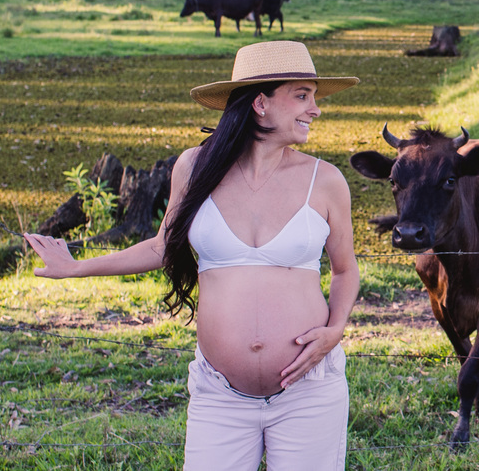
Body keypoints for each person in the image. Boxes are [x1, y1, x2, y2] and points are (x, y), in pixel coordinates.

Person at [25, 41, 361, 470]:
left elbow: (345, 270)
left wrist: (335, 331)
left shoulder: (326, 180)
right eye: (302, 95)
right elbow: (162, 246)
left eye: (314, 97)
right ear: (260, 102)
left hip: (309, 392)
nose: (315, 109)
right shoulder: (195, 167)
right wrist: (75, 268)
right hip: (220, 395)